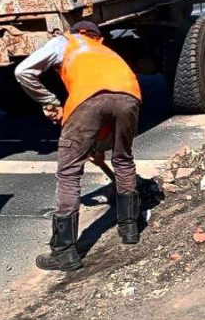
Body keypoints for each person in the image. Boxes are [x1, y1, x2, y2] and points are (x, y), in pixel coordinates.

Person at [14, 21, 143, 271]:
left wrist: (49, 101)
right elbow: (110, 106)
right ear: (99, 38)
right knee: (124, 159)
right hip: (130, 97)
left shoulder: (66, 41)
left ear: (75, 33)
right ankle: (130, 229)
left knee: (69, 173)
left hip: (86, 101)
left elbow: (23, 71)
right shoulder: (107, 51)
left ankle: (64, 251)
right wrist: (96, 145)